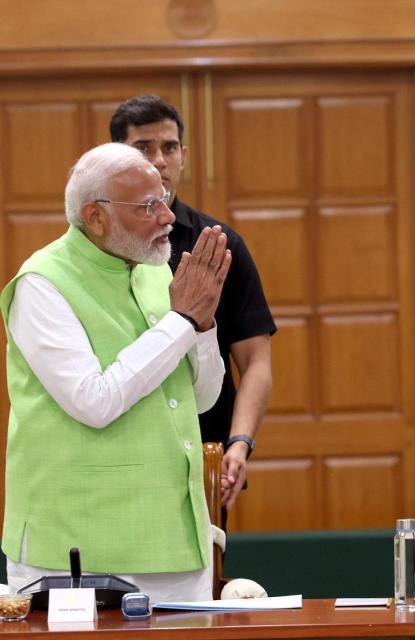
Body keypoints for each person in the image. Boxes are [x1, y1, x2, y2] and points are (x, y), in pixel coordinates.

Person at [1, 143, 231, 602]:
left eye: (164, 198)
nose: (168, 217)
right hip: (77, 544)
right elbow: (95, 401)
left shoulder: (157, 270)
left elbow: (202, 400)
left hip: (176, 538)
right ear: (96, 216)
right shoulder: (42, 283)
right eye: (148, 206)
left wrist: (203, 327)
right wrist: (182, 321)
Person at [110, 95, 275, 511]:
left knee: (210, 577)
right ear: (116, 160)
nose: (159, 161)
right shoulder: (102, 248)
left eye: (168, 148)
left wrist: (239, 443)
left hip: (203, 456)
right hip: (118, 456)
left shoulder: (218, 244)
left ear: (183, 156)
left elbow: (255, 360)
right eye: (142, 149)